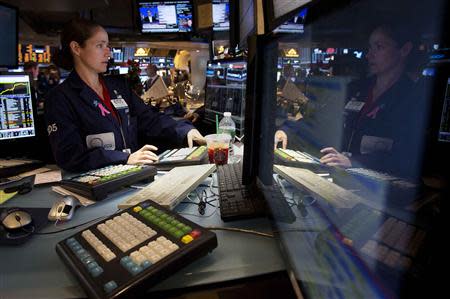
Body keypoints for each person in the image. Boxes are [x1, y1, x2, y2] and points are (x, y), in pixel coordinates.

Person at [45, 18, 205, 172]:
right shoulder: (60, 98)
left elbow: (150, 119)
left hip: (132, 175)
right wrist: (123, 158)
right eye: (100, 46)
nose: (108, 53)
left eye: (107, 45)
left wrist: (184, 130)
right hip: (97, 185)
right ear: (76, 48)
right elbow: (69, 155)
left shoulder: (119, 87)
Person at [275, 22, 425, 178]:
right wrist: (286, 130)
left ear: (404, 50)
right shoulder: (356, 88)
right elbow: (317, 115)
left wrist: (353, 161)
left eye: (379, 47)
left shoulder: (414, 97)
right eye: (369, 48)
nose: (369, 55)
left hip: (380, 189)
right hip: (342, 176)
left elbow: (406, 157)